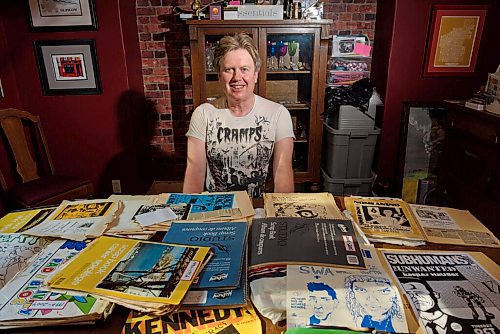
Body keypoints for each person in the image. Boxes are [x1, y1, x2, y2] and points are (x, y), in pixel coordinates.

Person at [183, 33, 295, 198]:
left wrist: (281, 217)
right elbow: (195, 173)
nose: (237, 77)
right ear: (219, 76)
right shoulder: (203, 114)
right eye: (229, 70)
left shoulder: (278, 114)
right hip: (216, 209)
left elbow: (282, 172)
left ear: (255, 75)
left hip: (259, 206)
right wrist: (190, 218)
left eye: (244, 69)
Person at [402, 279, 498, 334]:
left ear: (435, 295)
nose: (414, 297)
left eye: (419, 293)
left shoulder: (475, 326)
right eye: (409, 294)